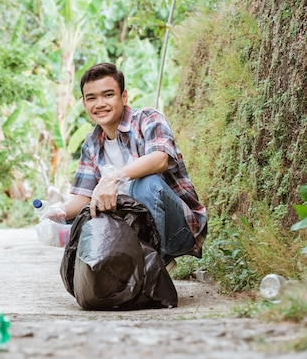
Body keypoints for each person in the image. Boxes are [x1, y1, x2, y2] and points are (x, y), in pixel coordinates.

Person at [44, 63, 207, 269]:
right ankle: (125, 268)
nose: (100, 104)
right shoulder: (92, 143)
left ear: (123, 97)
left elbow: (160, 159)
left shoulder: (148, 118)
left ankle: (155, 263)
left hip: (176, 230)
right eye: (91, 98)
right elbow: (83, 196)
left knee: (145, 183)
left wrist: (113, 178)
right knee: (79, 217)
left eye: (108, 95)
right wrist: (57, 212)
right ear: (84, 104)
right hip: (130, 228)